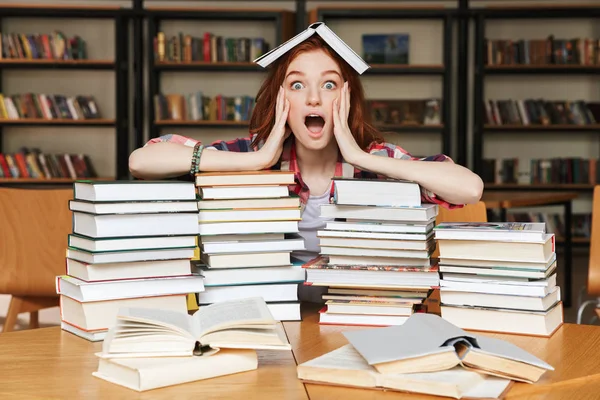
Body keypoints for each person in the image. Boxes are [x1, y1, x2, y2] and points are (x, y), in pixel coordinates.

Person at [129, 30, 484, 302]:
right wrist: (258, 160)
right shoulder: (249, 155)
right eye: (297, 85)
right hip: (266, 313)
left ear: (346, 98)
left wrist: (360, 158)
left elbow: (469, 188)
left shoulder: (378, 160)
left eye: (328, 84)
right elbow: (141, 161)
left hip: (358, 311)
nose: (313, 97)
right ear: (280, 99)